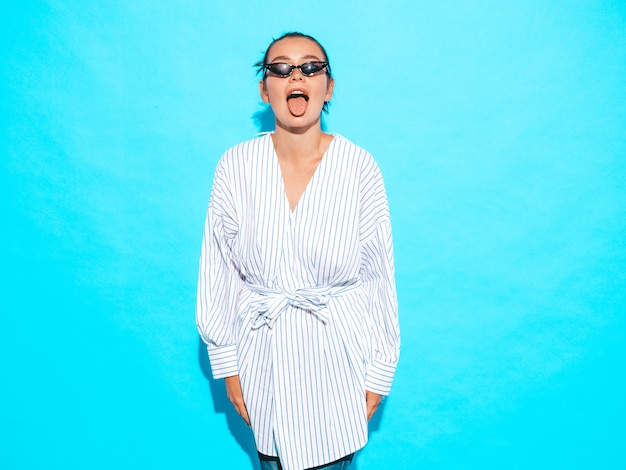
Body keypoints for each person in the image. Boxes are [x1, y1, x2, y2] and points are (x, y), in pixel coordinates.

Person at [196, 32, 400, 470]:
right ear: (264, 87)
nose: (296, 76)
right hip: (263, 360)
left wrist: (380, 370)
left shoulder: (360, 167)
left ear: (328, 87)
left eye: (311, 67)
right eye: (281, 68)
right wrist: (228, 365)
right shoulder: (235, 167)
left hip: (337, 360)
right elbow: (219, 271)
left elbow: (378, 277)